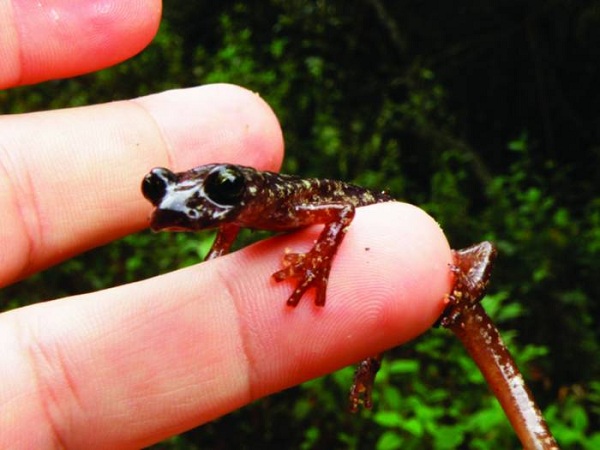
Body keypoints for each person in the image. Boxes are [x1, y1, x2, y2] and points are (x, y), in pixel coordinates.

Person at [0, 2, 452, 447]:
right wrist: (216, 255)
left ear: (254, 189)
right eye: (157, 188)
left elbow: (342, 212)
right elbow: (231, 221)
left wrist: (316, 263)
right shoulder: (242, 210)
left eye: (227, 185)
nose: (182, 202)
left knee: (386, 293)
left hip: (388, 221)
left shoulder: (290, 206)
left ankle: (378, 356)